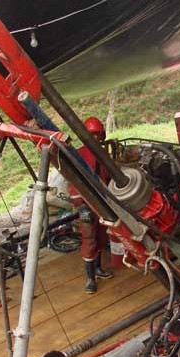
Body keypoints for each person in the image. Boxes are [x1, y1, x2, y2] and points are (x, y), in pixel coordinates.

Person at [69, 117, 114, 293]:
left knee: (102, 236)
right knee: (89, 238)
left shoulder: (103, 155)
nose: (95, 138)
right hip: (86, 204)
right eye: (92, 135)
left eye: (98, 135)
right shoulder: (77, 154)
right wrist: (80, 205)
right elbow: (73, 182)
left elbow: (108, 178)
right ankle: (90, 278)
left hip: (102, 202)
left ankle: (98, 268)